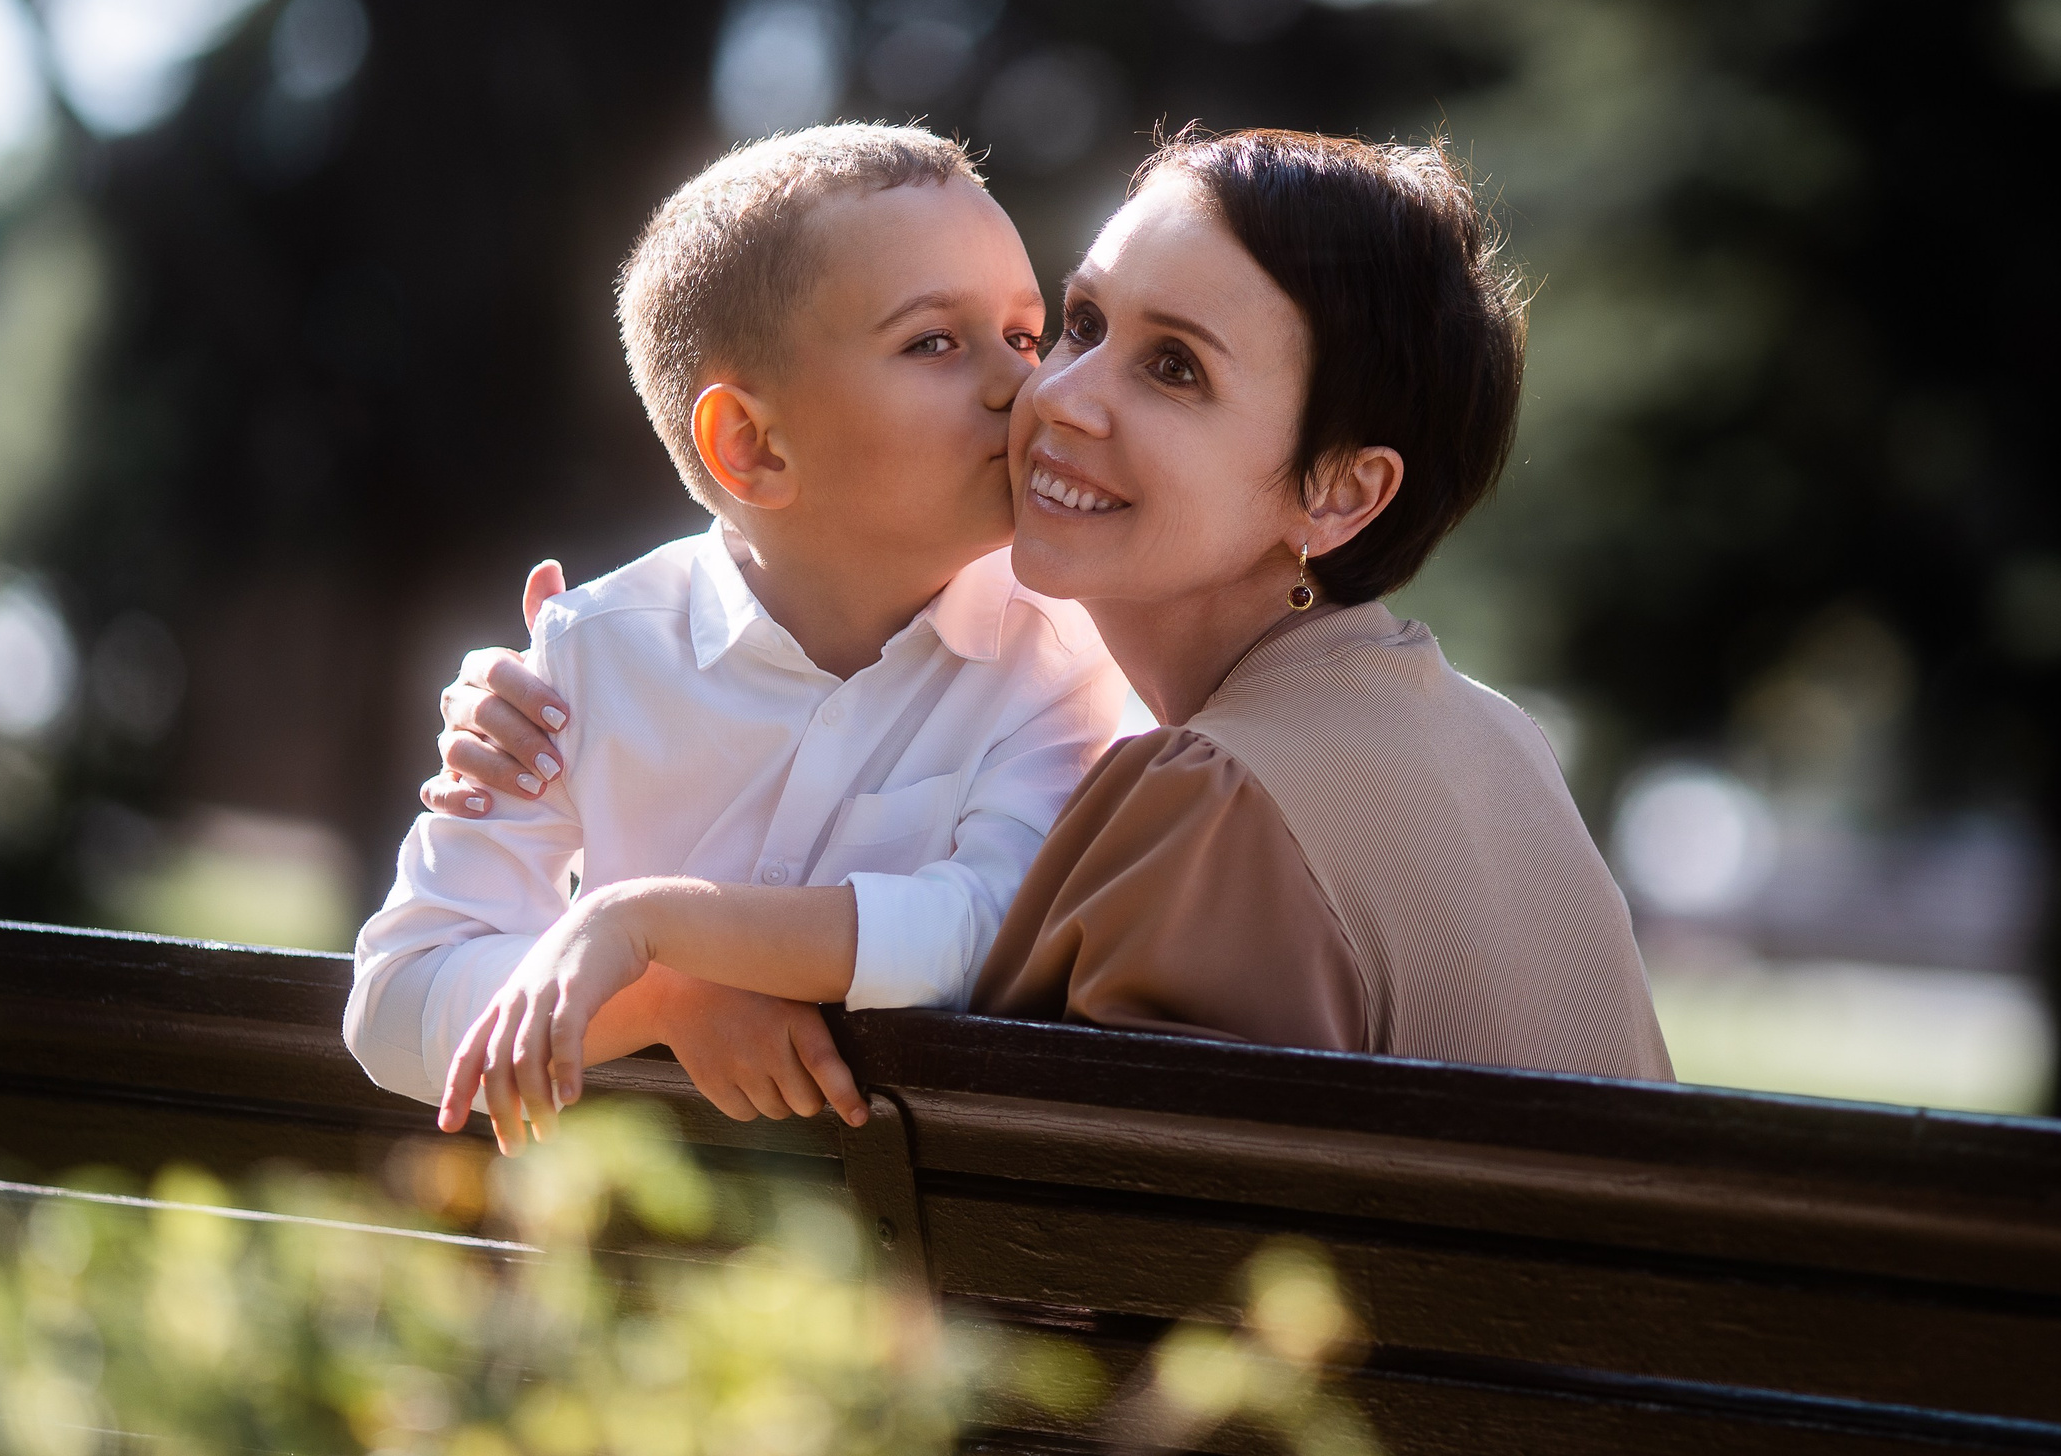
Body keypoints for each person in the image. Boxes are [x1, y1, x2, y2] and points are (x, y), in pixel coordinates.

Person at [432, 129, 1671, 1093]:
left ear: (1342, 492)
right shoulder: (1493, 737)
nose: (1053, 393)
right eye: (1081, 324)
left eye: (1173, 366)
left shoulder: (1215, 797)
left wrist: (654, 930)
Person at [343, 124, 1128, 1153]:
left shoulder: (1064, 654)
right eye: (933, 341)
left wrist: (649, 923)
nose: (1019, 385)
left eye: (1026, 337)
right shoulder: (589, 656)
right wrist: (667, 996)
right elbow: (396, 1001)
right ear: (751, 445)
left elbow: (990, 935)